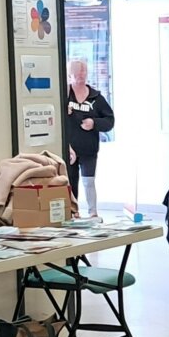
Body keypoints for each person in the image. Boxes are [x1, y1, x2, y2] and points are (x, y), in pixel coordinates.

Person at [63, 58, 114, 218]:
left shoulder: (96, 98)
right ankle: (73, 211)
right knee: (70, 181)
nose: (81, 76)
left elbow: (109, 121)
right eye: (77, 74)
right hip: (70, 149)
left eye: (83, 72)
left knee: (88, 181)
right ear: (70, 75)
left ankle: (93, 212)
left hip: (89, 149)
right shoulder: (65, 95)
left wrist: (94, 123)